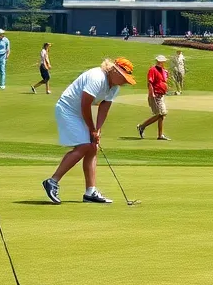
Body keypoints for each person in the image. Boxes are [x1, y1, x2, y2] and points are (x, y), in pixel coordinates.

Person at [42, 58, 137, 205]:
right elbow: (85, 104)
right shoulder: (97, 77)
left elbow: (104, 108)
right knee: (84, 146)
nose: (124, 81)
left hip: (78, 111)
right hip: (67, 108)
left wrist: (97, 129)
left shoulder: (114, 87)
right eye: (123, 77)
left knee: (93, 147)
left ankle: (90, 192)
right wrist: (92, 129)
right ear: (113, 70)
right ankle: (52, 181)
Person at [137, 55, 171, 141]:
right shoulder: (153, 70)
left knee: (161, 116)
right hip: (156, 95)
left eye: (162, 61)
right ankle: (142, 126)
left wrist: (166, 76)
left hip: (161, 95)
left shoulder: (163, 71)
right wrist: (151, 93)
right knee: (161, 114)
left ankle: (160, 135)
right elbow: (150, 82)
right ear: (157, 61)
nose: (161, 63)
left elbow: (164, 81)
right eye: (159, 61)